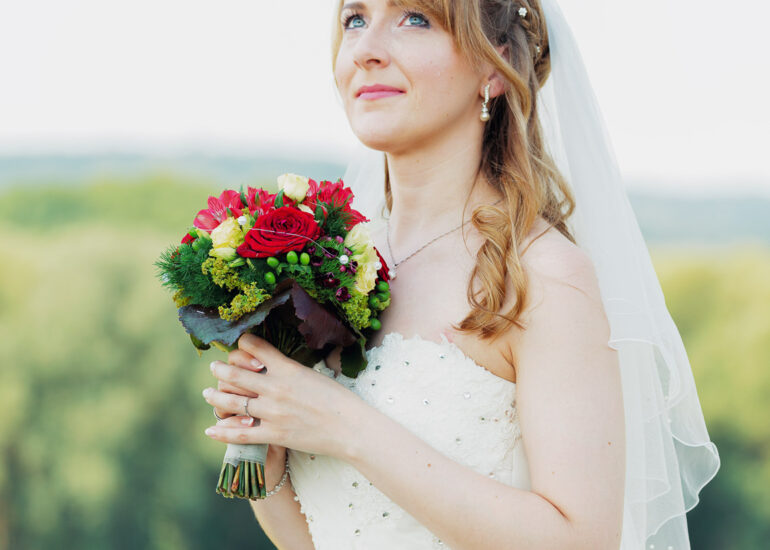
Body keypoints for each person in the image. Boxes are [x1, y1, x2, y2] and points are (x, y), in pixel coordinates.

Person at [201, 1, 719, 549]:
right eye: (355, 19)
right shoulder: (336, 265)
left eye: (414, 18)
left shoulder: (542, 278)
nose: (366, 50)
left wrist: (342, 424)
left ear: (494, 67)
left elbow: (584, 540)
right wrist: (268, 460)